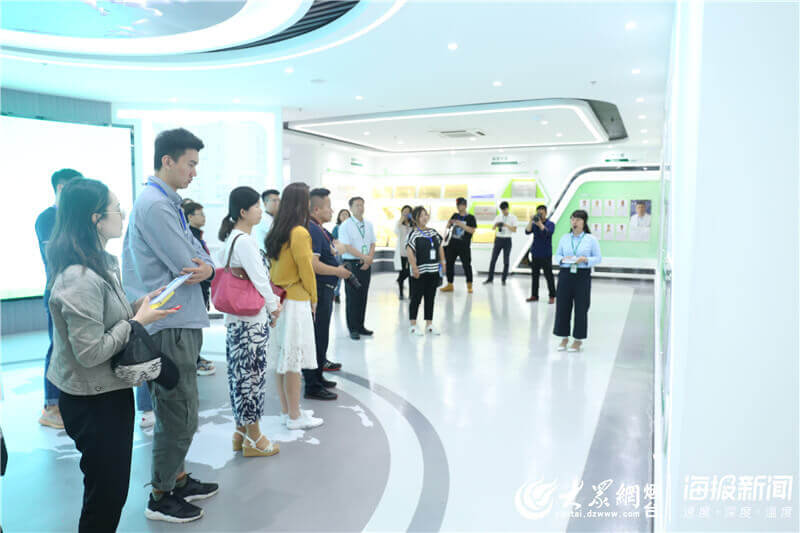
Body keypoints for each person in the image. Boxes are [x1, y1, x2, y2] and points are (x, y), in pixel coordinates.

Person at [46, 178, 176, 532]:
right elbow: (90, 352)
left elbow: (106, 320)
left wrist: (138, 306)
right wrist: (136, 322)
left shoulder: (100, 264)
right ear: (96, 219)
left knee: (110, 490)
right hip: (93, 401)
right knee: (105, 496)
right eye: (116, 209)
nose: (122, 215)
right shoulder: (78, 278)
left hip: (107, 393)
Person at [122, 127, 218, 523]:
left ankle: (176, 479)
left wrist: (207, 266)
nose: (194, 171)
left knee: (181, 406)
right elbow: (188, 262)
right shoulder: (156, 206)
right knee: (179, 411)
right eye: (190, 164)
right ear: (168, 160)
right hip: (168, 321)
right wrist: (206, 267)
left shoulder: (166, 203)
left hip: (179, 318)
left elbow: (200, 256)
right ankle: (161, 496)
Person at [218, 187, 283, 457]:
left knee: (240, 377)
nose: (260, 210)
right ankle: (254, 438)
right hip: (251, 322)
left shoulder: (232, 238)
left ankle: (241, 432)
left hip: (237, 320)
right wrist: (274, 306)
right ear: (243, 212)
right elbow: (260, 279)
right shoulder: (244, 241)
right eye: (256, 206)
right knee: (251, 380)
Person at [265, 182, 324, 430]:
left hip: (280, 299)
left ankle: (287, 411)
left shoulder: (277, 230)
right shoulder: (299, 232)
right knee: (293, 362)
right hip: (296, 300)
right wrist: (314, 298)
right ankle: (295, 416)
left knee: (283, 358)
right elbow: (306, 269)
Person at [35, 168, 83, 429]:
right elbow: (55, 256)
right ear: (62, 189)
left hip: (79, 292)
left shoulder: (75, 217)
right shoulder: (47, 218)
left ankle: (68, 401)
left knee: (76, 347)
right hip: (58, 293)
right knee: (58, 348)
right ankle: (51, 406)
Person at [305, 188, 354, 400]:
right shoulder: (313, 230)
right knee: (316, 336)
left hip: (325, 290)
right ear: (316, 209)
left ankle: (318, 376)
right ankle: (312, 385)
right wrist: (337, 272)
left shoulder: (320, 229)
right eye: (328, 207)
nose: (332, 211)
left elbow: (333, 250)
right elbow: (313, 264)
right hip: (319, 289)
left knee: (322, 335)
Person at [553, 209, 602, 353]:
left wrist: (585, 259)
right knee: (562, 307)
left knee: (581, 308)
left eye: (578, 220)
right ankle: (564, 338)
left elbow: (598, 258)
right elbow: (557, 255)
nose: (575, 222)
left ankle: (578, 340)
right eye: (573, 219)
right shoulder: (564, 238)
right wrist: (562, 259)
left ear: (584, 222)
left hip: (582, 275)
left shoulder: (590, 239)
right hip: (565, 274)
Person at [183, 200, 216, 376]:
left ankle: (195, 357)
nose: (204, 217)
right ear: (189, 217)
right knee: (193, 326)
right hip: (196, 285)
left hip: (202, 285)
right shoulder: (190, 236)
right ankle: (193, 360)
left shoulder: (196, 235)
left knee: (197, 326)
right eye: (200, 214)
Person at [337, 197, 376, 340]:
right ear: (351, 208)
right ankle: (353, 328)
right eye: (357, 205)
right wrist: (364, 257)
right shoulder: (345, 225)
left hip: (366, 264)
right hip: (351, 264)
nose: (360, 207)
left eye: (362, 205)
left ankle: (361, 326)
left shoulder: (369, 224)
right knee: (352, 297)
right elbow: (347, 247)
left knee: (363, 295)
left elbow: (372, 243)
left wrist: (368, 259)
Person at [405, 206, 446, 336]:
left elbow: (440, 247)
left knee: (430, 297)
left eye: (426, 214)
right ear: (415, 218)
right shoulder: (413, 234)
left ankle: (429, 324)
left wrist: (443, 262)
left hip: (433, 271)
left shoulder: (433, 232)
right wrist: (414, 267)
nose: (424, 217)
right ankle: (413, 325)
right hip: (419, 272)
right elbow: (409, 251)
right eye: (421, 215)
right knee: (416, 298)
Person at [441, 197, 477, 294]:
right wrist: (450, 223)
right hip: (452, 244)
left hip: (464, 245)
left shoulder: (471, 217)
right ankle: (450, 284)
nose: (459, 207)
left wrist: (462, 225)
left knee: (466, 265)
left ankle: (469, 285)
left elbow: (472, 230)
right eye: (458, 205)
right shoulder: (455, 215)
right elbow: (448, 226)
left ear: (465, 206)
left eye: (461, 205)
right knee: (449, 263)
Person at [525, 204, 556, 303]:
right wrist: (531, 220)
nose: (540, 215)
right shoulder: (534, 224)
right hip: (535, 254)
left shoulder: (550, 224)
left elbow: (548, 233)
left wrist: (540, 224)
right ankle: (534, 295)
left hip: (546, 254)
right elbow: (527, 231)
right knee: (535, 276)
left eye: (542, 213)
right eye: (539, 213)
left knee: (549, 276)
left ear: (546, 213)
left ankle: (552, 296)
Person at [484, 201, 518, 285]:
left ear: (508, 208)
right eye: (502, 210)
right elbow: (492, 228)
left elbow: (514, 230)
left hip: (507, 240)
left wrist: (506, 225)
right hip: (498, 239)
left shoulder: (513, 217)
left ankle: (504, 279)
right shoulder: (498, 217)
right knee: (493, 259)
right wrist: (496, 225)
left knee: (506, 261)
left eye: (505, 209)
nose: (504, 211)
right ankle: (490, 278)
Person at [331, 209, 351, 304]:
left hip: (349, 254)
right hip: (339, 254)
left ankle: (349, 295)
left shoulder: (352, 229)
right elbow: (333, 241)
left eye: (346, 214)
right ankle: (336, 294)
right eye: (342, 214)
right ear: (339, 217)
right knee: (338, 274)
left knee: (349, 275)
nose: (344, 216)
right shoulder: (336, 228)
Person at [394, 205, 413, 300]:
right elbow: (396, 232)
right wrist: (401, 221)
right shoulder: (399, 223)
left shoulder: (413, 224)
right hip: (401, 252)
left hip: (411, 253)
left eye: (408, 212)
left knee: (410, 273)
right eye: (404, 211)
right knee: (402, 273)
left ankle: (411, 294)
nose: (406, 213)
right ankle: (401, 292)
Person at [254, 188, 280, 253]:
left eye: (279, 200)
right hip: (266, 255)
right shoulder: (263, 219)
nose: (278, 203)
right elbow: (279, 235)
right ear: (265, 203)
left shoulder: (274, 217)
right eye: (274, 200)